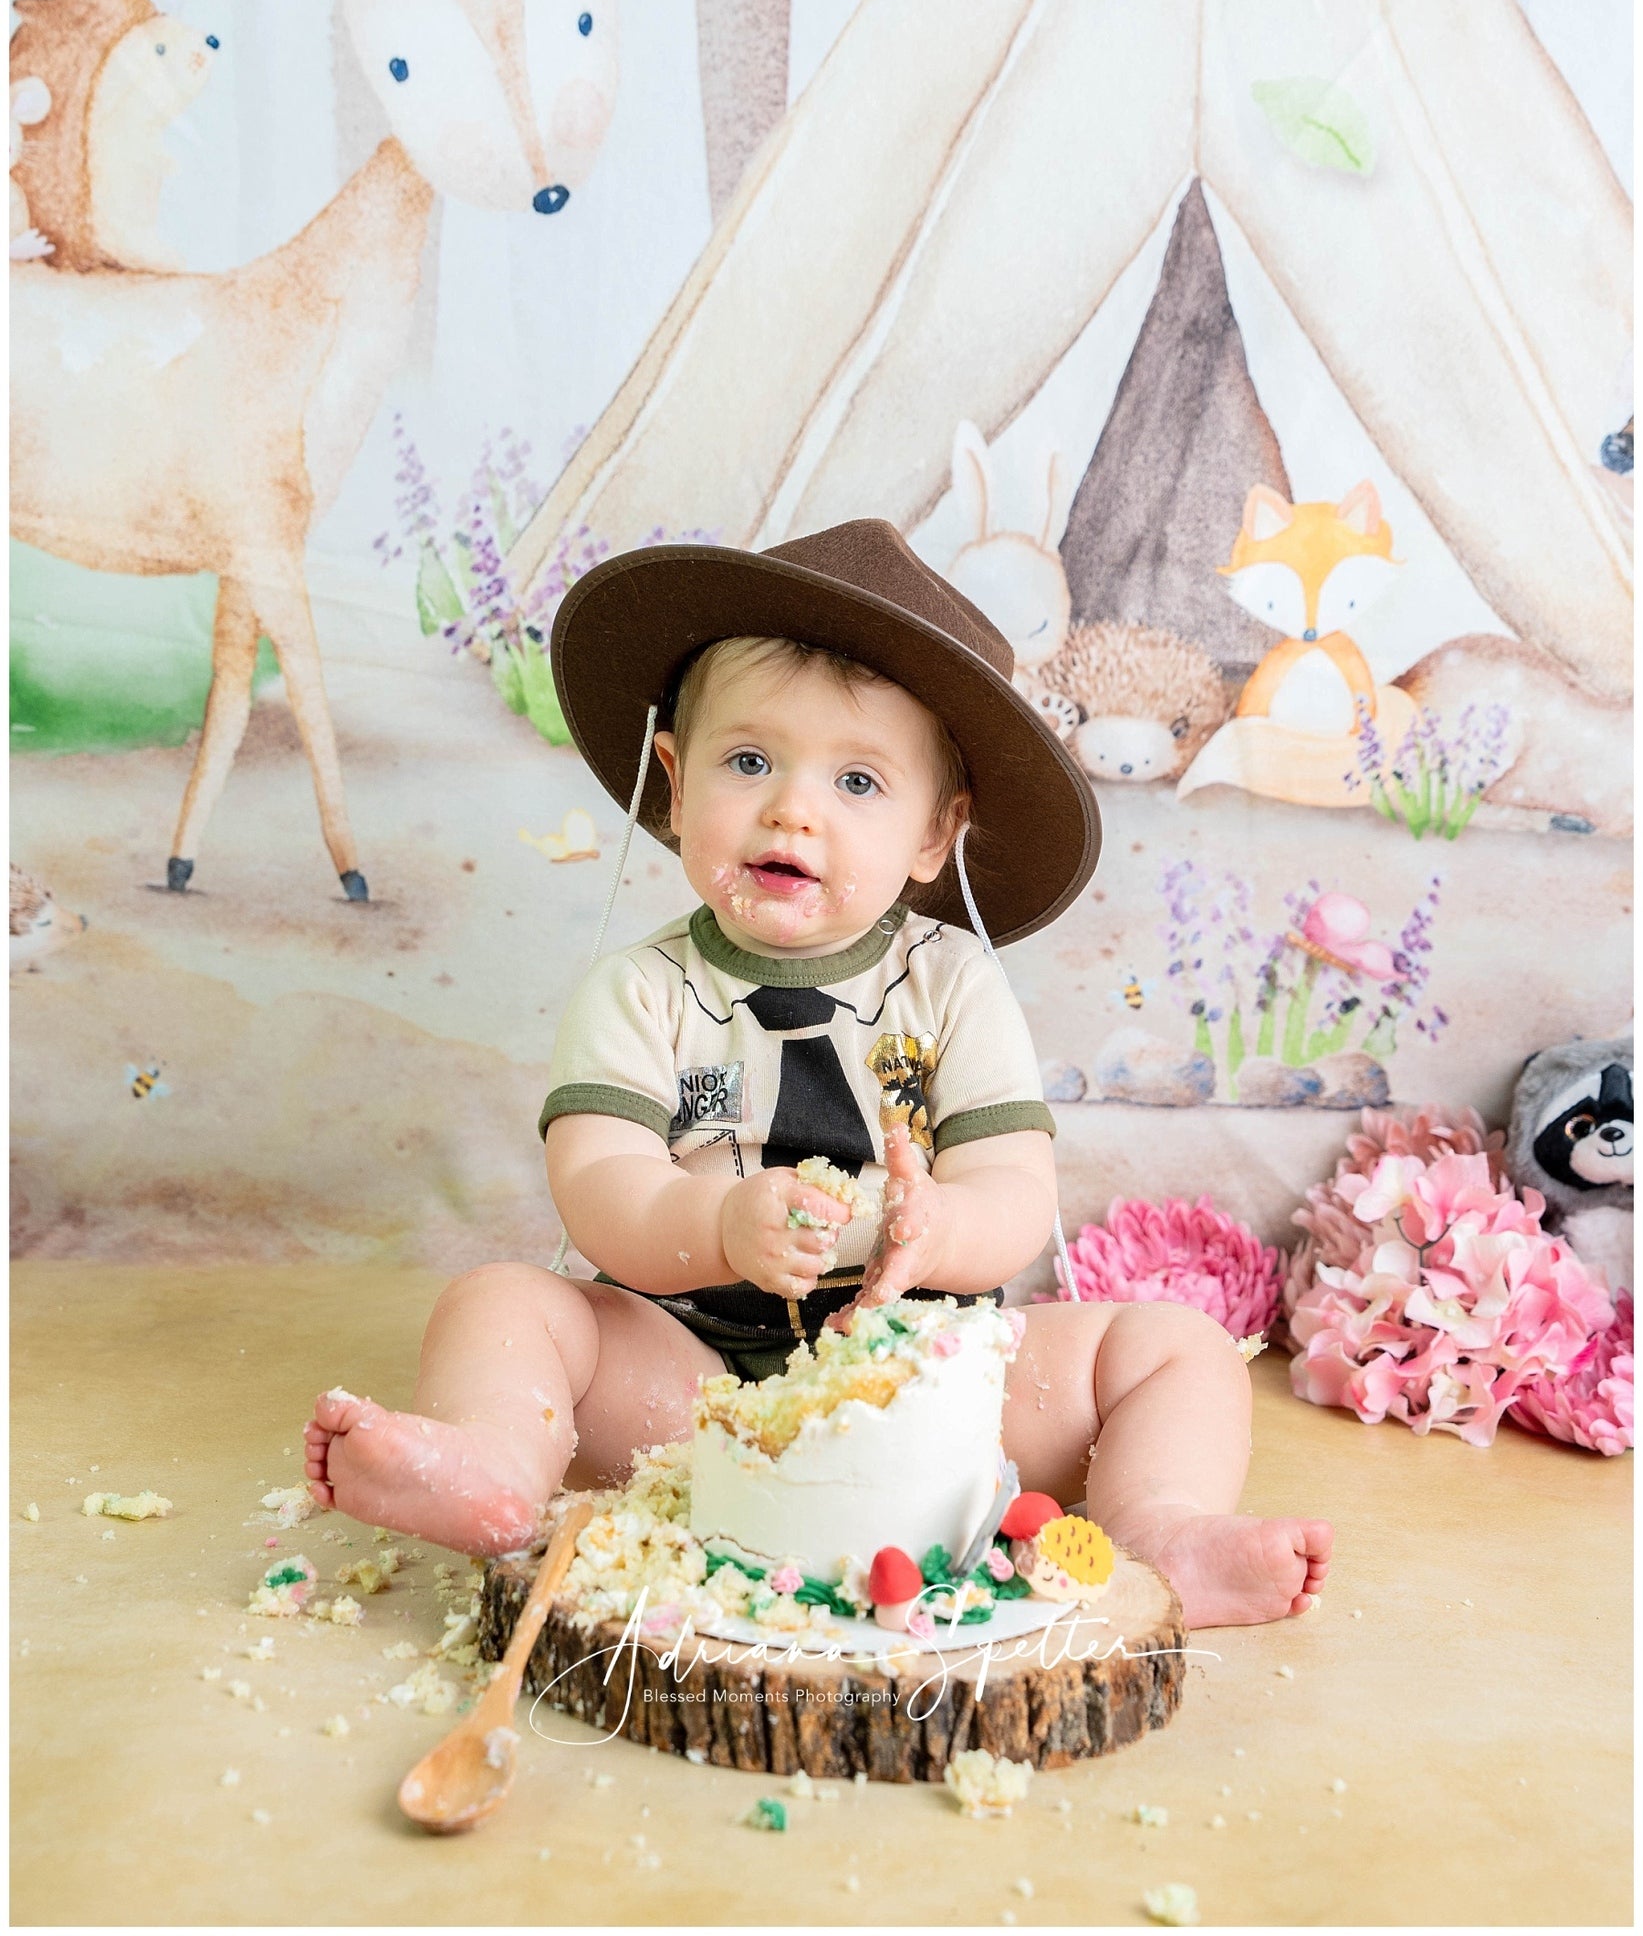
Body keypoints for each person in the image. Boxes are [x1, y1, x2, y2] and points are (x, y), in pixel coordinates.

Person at [304, 519, 1331, 1628]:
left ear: (935, 836)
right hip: (694, 1387)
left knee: (1173, 1348)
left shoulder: (952, 986)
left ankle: (1159, 1528)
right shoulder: (640, 991)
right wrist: (717, 1220)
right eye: (748, 761)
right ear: (671, 782)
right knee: (501, 1302)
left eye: (856, 780)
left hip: (941, 1391)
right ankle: (496, 1467)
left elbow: (1014, 1190)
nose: (794, 808)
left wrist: (934, 1226)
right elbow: (598, 1186)